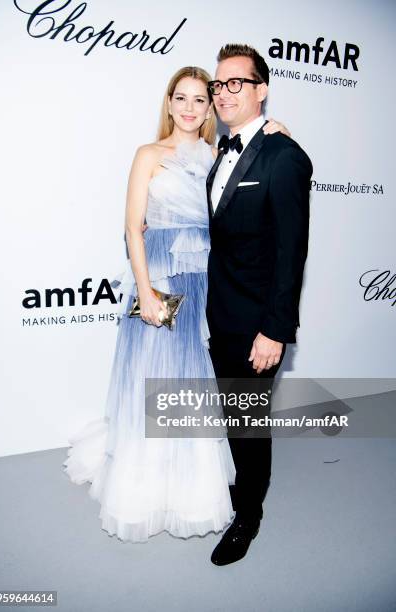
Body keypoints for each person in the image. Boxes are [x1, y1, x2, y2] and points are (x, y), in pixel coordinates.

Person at [63, 65, 290, 543]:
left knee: (196, 386)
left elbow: (252, 177)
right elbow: (132, 228)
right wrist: (144, 290)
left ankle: (191, 487)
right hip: (161, 281)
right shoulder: (148, 154)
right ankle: (146, 488)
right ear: (168, 104)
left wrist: (276, 130)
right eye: (180, 98)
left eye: (199, 100)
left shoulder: (217, 156)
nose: (190, 108)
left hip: (208, 282)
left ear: (210, 108)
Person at [206, 44, 313, 566]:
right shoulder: (220, 152)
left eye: (236, 83)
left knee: (249, 422)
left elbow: (292, 252)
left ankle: (249, 515)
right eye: (218, 85)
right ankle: (246, 490)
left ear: (260, 90)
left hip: (257, 328)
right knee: (235, 417)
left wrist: (275, 330)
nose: (224, 93)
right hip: (221, 315)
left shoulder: (284, 156)